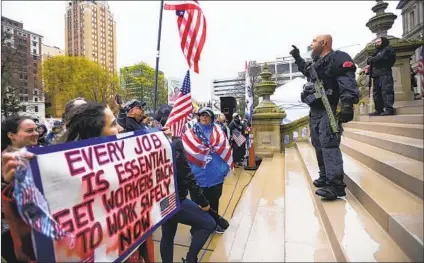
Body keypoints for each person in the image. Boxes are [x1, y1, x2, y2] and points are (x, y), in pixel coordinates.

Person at [290, 34, 359, 200]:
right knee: (318, 144)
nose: (312, 44)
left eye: (314, 41)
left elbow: (347, 83)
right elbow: (306, 70)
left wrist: (347, 105)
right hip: (316, 111)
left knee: (329, 145)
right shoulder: (316, 64)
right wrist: (297, 57)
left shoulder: (338, 59)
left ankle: (335, 185)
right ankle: (325, 176)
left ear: (324, 43)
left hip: (330, 109)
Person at [154, 107, 216, 263]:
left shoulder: (153, 142)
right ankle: (190, 259)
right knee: (209, 223)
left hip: (162, 198)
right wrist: (203, 202)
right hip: (176, 199)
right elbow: (187, 175)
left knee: (167, 235)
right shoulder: (175, 143)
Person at [182, 107, 231, 233]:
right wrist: (188, 174)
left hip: (215, 176)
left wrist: (223, 170)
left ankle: (214, 224)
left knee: (214, 202)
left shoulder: (219, 132)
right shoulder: (190, 133)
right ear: (198, 116)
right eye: (202, 115)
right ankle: (197, 228)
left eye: (207, 115)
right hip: (197, 176)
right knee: (197, 206)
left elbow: (226, 150)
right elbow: (185, 154)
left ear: (211, 117)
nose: (204, 117)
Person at [1, 116, 39, 262]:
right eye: (30, 130)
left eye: (36, 129)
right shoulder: (6, 161)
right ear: (11, 136)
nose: (35, 133)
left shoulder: (37, 154)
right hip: (14, 234)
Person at [367, 37, 396, 116]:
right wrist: (372, 60)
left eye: (378, 42)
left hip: (385, 73)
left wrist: (372, 59)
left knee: (386, 91)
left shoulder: (388, 49)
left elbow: (380, 58)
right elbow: (369, 60)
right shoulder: (376, 51)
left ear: (383, 41)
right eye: (375, 42)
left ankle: (389, 109)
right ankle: (378, 109)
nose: (376, 43)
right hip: (376, 75)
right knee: (377, 93)